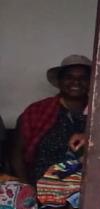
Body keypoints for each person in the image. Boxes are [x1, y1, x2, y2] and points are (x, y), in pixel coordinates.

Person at [10, 55, 93, 184]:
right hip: (41, 185)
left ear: (92, 82)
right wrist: (26, 187)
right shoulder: (37, 111)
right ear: (60, 81)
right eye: (69, 77)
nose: (76, 82)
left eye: (83, 78)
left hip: (87, 186)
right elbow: (17, 154)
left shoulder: (99, 114)